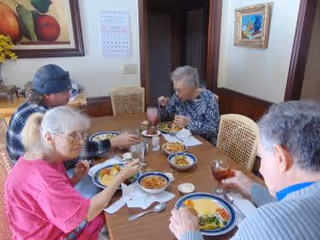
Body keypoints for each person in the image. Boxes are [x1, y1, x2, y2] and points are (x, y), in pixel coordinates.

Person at [169, 101, 320, 240]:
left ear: (281, 157)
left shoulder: (267, 225)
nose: (260, 168)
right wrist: (250, 187)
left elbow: (284, 218)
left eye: (260, 157)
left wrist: (188, 233)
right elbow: (294, 202)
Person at [5, 106, 140, 239]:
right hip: (48, 235)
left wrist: (74, 180)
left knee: (113, 214)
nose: (81, 141)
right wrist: (120, 177)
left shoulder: (45, 156)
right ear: (49, 138)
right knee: (118, 222)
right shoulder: (42, 178)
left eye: (82, 134)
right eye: (73, 136)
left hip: (52, 224)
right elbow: (88, 213)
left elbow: (51, 199)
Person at [6, 64, 139, 197]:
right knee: (98, 190)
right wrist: (112, 143)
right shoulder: (43, 118)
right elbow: (73, 151)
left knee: (97, 170)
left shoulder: (32, 106)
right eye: (64, 91)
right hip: (36, 188)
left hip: (42, 174)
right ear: (47, 94)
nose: (69, 95)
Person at [158, 66, 219, 145]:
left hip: (204, 145)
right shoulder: (177, 96)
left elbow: (212, 129)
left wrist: (189, 123)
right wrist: (163, 106)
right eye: (175, 89)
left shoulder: (209, 99)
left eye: (179, 90)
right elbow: (165, 118)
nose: (176, 93)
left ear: (191, 87)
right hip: (181, 140)